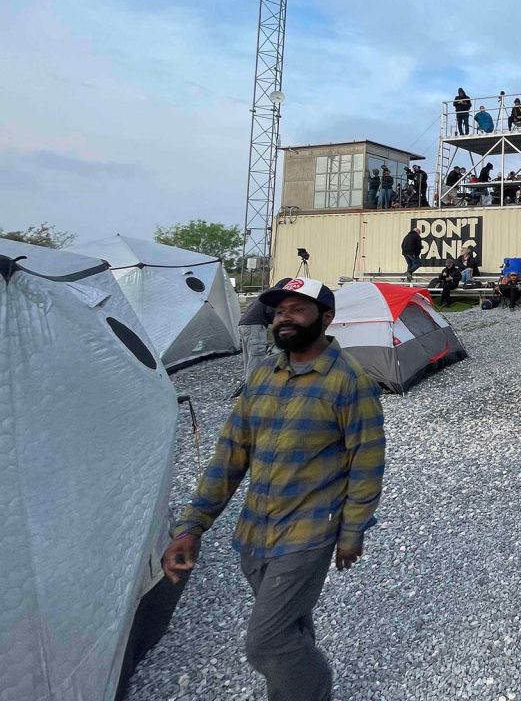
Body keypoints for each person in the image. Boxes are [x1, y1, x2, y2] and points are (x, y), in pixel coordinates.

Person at [162, 278, 385, 701]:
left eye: (297, 310)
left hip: (308, 534)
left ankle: (314, 691)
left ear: (325, 318)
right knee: (291, 627)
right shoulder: (264, 373)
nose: (285, 318)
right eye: (279, 310)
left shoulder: (349, 381)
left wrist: (353, 531)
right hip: (255, 531)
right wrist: (192, 526)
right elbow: (231, 453)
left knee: (265, 642)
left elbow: (367, 463)